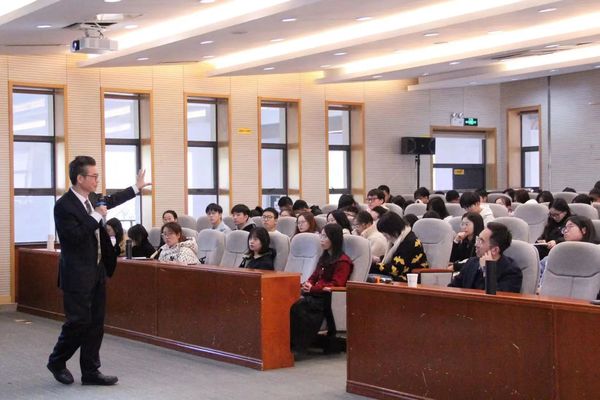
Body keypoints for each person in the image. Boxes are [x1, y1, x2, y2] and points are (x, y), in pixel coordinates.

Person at [47, 155, 150, 386]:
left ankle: (91, 371)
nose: (97, 180)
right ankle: (57, 360)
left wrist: (136, 188)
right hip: (76, 274)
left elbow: (112, 199)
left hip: (98, 271)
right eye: (93, 176)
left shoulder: (93, 198)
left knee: (95, 324)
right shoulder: (64, 206)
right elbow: (74, 237)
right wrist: (96, 216)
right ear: (80, 178)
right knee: (78, 322)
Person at [290, 224, 353, 355]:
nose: (321, 239)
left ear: (334, 239)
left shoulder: (343, 261)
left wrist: (313, 289)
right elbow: (314, 276)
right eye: (321, 236)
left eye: (325, 236)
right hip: (315, 294)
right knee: (290, 302)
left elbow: (336, 284)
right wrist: (307, 284)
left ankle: (298, 347)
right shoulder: (324, 257)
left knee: (299, 307)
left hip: (327, 298)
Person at [448, 222, 522, 293]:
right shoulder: (472, 262)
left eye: (481, 241)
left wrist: (487, 270)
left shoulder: (512, 272)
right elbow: (453, 287)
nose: (476, 244)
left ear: (495, 250)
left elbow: (496, 298)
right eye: (478, 239)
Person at [538, 215, 597, 289]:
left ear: (584, 230)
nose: (565, 231)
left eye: (570, 226)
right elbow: (537, 275)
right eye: (565, 228)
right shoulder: (555, 255)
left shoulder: (595, 255)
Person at [370, 211, 428, 281]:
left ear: (393, 231)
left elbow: (396, 269)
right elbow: (396, 257)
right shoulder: (399, 238)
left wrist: (373, 265)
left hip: (411, 278)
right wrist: (378, 259)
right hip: (401, 274)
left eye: (385, 235)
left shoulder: (410, 242)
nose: (386, 238)